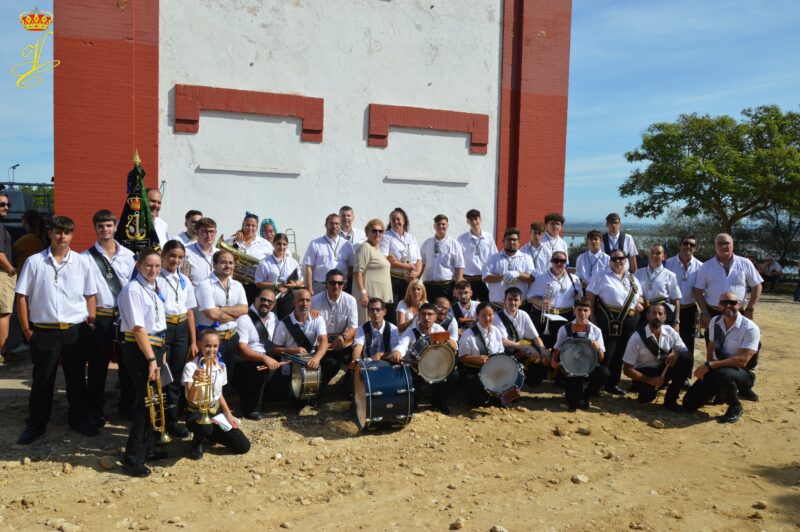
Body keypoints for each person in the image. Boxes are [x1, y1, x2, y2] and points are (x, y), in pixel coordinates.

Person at [15, 216, 98, 444]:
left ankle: (78, 419)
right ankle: (37, 424)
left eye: (67, 232)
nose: (63, 236)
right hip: (44, 331)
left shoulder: (82, 263)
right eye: (58, 232)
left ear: (72, 235)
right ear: (50, 233)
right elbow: (22, 296)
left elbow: (90, 294)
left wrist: (90, 322)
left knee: (76, 378)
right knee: (43, 380)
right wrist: (26, 330)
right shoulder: (34, 262)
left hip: (75, 330)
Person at [82, 209, 136, 428]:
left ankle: (126, 406)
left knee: (127, 364)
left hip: (125, 316)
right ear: (95, 228)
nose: (105, 229)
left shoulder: (130, 256)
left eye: (108, 225)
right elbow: (85, 292)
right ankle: (95, 409)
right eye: (100, 226)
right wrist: (91, 319)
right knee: (97, 366)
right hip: (101, 317)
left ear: (115, 227)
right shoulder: (85, 258)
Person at [117, 248, 167, 477]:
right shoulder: (133, 290)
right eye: (148, 266)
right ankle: (133, 459)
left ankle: (148, 449)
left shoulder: (153, 288)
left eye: (157, 266)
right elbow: (138, 329)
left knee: (154, 401)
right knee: (145, 403)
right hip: (140, 350)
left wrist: (160, 354)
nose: (153, 270)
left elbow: (157, 325)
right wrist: (151, 359)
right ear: (138, 266)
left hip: (154, 347)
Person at [683, 292, 761, 423]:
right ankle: (719, 390)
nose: (728, 306)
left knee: (723, 374)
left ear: (740, 304)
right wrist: (709, 366)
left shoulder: (750, 328)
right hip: (718, 369)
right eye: (724, 303)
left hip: (744, 372)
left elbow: (742, 361)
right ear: (719, 305)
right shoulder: (715, 322)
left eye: (732, 303)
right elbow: (711, 347)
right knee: (689, 403)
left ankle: (735, 406)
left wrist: (710, 366)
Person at [585, 248, 645, 395]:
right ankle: (597, 384)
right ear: (609, 260)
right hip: (609, 319)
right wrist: (591, 317)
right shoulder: (601, 275)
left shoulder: (633, 278)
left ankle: (612, 384)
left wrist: (640, 304)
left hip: (630, 321)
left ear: (626, 260)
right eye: (614, 259)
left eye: (621, 258)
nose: (618, 261)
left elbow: (640, 296)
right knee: (607, 352)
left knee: (621, 353)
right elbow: (590, 296)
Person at [184, 329, 251, 460]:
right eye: (208, 345)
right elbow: (190, 399)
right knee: (205, 428)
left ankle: (211, 433)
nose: (211, 349)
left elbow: (219, 393)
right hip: (196, 411)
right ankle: (198, 440)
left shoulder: (221, 366)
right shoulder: (191, 367)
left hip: (215, 411)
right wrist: (196, 380)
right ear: (199, 345)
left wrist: (228, 414)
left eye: (215, 346)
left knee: (243, 446)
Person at [458, 302, 538, 407]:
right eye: (483, 315)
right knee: (477, 402)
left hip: (494, 370)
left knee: (511, 388)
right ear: (477, 315)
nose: (487, 318)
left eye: (490, 315)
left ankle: (499, 395)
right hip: (475, 370)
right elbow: (462, 358)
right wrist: (476, 359)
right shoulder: (469, 334)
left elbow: (501, 352)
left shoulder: (496, 331)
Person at [159, 240, 198, 437]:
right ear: (163, 256)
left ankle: (172, 420)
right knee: (162, 375)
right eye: (172, 256)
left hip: (181, 328)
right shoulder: (156, 279)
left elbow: (190, 311)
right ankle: (158, 420)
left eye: (180, 257)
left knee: (176, 375)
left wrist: (192, 341)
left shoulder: (185, 281)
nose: (175, 260)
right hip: (163, 327)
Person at [389, 302, 456, 414]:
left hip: (435, 368)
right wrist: (396, 352)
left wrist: (447, 339)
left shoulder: (438, 328)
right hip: (416, 370)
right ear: (418, 316)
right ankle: (413, 401)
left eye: (430, 314)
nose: (426, 318)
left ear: (435, 316)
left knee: (454, 375)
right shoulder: (410, 331)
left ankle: (438, 402)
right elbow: (402, 345)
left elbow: (454, 346)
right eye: (423, 314)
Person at [622, 303, 692, 411]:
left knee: (686, 360)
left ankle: (671, 400)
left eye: (660, 313)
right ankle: (647, 387)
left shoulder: (669, 331)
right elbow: (627, 369)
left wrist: (677, 354)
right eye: (654, 313)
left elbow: (686, 353)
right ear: (648, 316)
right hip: (644, 372)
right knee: (647, 397)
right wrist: (649, 380)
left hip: (663, 368)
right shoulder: (636, 337)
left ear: (665, 317)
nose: (657, 317)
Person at [195, 250, 248, 392]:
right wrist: (233, 313)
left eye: (231, 263)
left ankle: (221, 409)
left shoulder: (238, 285)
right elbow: (212, 314)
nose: (228, 266)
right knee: (208, 375)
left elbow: (244, 309)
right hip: (212, 339)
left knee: (225, 376)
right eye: (223, 262)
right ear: (214, 264)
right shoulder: (204, 285)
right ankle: (208, 409)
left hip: (231, 337)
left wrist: (221, 309)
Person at [272, 289, 330, 410]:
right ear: (294, 303)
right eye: (300, 300)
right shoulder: (284, 324)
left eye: (307, 300)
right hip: (292, 365)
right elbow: (274, 349)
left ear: (311, 303)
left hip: (311, 361)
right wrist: (292, 350)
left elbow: (324, 341)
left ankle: (317, 390)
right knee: (296, 405)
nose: (304, 304)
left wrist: (317, 358)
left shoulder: (317, 319)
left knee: (332, 364)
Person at [693, 233, 763, 334]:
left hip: (739, 312)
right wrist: (704, 312)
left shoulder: (745, 263)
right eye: (719, 243)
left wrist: (750, 308)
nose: (723, 246)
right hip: (713, 313)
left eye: (726, 243)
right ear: (715, 246)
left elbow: (757, 286)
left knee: (737, 345)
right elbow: (697, 290)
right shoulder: (706, 266)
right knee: (714, 346)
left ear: (732, 245)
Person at [551, 298, 609, 411]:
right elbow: (556, 351)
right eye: (579, 310)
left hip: (588, 367)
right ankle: (576, 396)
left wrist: (597, 349)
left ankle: (586, 395)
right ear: (574, 311)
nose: (582, 313)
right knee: (577, 404)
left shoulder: (596, 331)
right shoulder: (564, 329)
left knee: (604, 373)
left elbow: (601, 359)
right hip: (571, 370)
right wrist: (556, 364)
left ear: (590, 311)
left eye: (585, 310)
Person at [235, 286, 282, 420]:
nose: (266, 303)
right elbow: (242, 350)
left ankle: (264, 399)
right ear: (256, 299)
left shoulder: (274, 318)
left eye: (270, 302)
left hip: (268, 359)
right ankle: (250, 408)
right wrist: (264, 358)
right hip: (247, 362)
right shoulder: (244, 319)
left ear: (274, 304)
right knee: (257, 370)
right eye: (263, 299)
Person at [311, 269, 358, 395]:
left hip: (343, 340)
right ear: (325, 283)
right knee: (330, 364)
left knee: (358, 358)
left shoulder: (351, 300)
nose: (336, 286)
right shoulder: (314, 300)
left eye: (340, 283)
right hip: (321, 342)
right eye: (332, 283)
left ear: (344, 284)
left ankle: (349, 389)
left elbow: (353, 327)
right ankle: (316, 393)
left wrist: (343, 337)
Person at [492, 287, 548, 387]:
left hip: (520, 348)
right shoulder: (497, 316)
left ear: (520, 302)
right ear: (504, 300)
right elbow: (503, 341)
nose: (513, 303)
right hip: (506, 351)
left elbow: (536, 337)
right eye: (509, 299)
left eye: (516, 300)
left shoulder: (524, 314)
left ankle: (531, 380)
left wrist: (543, 349)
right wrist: (526, 347)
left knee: (540, 355)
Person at [527, 251, 582, 348]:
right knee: (547, 346)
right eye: (556, 261)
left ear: (566, 262)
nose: (559, 263)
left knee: (564, 347)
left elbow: (579, 298)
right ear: (551, 262)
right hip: (547, 317)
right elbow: (529, 297)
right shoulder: (541, 278)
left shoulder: (574, 279)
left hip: (566, 316)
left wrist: (576, 296)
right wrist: (540, 302)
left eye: (562, 261)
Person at [380, 207, 422, 319]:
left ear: (404, 221)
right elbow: (385, 259)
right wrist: (406, 266)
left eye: (398, 219)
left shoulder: (411, 237)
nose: (396, 222)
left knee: (410, 310)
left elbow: (418, 260)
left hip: (410, 280)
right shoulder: (386, 236)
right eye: (393, 220)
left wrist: (416, 273)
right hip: (394, 280)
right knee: (393, 311)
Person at [664, 235, 703, 356]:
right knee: (667, 341)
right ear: (680, 245)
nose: (688, 246)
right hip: (670, 309)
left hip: (690, 309)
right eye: (686, 243)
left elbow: (702, 291)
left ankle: (684, 373)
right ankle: (666, 372)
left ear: (695, 249)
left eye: (692, 245)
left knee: (687, 342)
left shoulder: (701, 267)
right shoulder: (667, 263)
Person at [254, 233, 304, 320]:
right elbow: (258, 283)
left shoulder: (292, 262)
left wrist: (294, 285)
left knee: (286, 323)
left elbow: (300, 280)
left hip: (287, 298)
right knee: (270, 322)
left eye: (284, 244)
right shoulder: (264, 262)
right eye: (278, 244)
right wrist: (275, 285)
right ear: (273, 244)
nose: (281, 247)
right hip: (269, 298)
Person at [303, 213, 355, 295]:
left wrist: (346, 281)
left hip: (341, 286)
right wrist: (309, 288)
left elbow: (351, 267)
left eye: (337, 224)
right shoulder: (315, 243)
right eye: (331, 223)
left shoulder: (347, 244)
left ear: (340, 225)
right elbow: (309, 267)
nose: (334, 226)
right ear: (326, 225)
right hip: (320, 286)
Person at [483, 227, 535, 308]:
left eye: (514, 240)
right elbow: (485, 277)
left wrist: (519, 274)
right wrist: (502, 277)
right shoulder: (493, 258)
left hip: (520, 306)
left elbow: (531, 278)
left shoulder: (527, 258)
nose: (511, 242)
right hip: (498, 305)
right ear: (503, 241)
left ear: (519, 243)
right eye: (509, 239)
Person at [353, 218, 393, 324]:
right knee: (367, 328)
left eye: (380, 231)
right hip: (368, 299)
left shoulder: (377, 249)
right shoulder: (365, 248)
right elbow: (358, 273)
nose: (377, 233)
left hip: (378, 299)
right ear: (367, 232)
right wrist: (363, 294)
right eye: (374, 231)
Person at [420, 214, 465, 303]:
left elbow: (459, 266)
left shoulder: (454, 244)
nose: (441, 226)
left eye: (443, 224)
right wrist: (416, 279)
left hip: (447, 286)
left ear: (447, 226)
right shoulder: (427, 243)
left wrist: (457, 286)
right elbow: (422, 263)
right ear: (434, 226)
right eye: (438, 224)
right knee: (430, 312)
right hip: (429, 285)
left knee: (446, 312)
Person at [634, 245, 681, 327]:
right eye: (652, 252)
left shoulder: (670, 275)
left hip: (661, 315)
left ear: (664, 257)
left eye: (658, 253)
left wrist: (676, 321)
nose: (654, 255)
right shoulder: (638, 273)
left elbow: (676, 300)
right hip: (642, 315)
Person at [456, 209, 495, 302]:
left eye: (476, 219)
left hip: (485, 279)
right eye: (471, 220)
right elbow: (458, 260)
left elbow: (493, 256)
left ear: (480, 219)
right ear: (467, 222)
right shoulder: (461, 239)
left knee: (487, 306)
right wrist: (459, 279)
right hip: (468, 280)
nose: (474, 222)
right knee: (467, 306)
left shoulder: (488, 237)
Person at [351, 298, 400, 362]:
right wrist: (355, 361)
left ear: (384, 312)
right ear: (368, 313)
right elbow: (357, 348)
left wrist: (381, 355)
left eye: (378, 309)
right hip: (368, 366)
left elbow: (395, 351)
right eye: (372, 310)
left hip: (387, 364)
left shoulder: (393, 329)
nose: (375, 313)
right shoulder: (362, 329)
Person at [0, 191, 17, 361]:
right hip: (3, 273)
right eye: (2, 204)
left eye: (7, 204)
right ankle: (2, 353)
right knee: (4, 313)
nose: (6, 207)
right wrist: (11, 270)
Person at [184, 217, 220, 286]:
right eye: (205, 231)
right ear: (197, 232)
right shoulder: (186, 252)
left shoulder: (219, 253)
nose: (209, 235)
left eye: (212, 231)